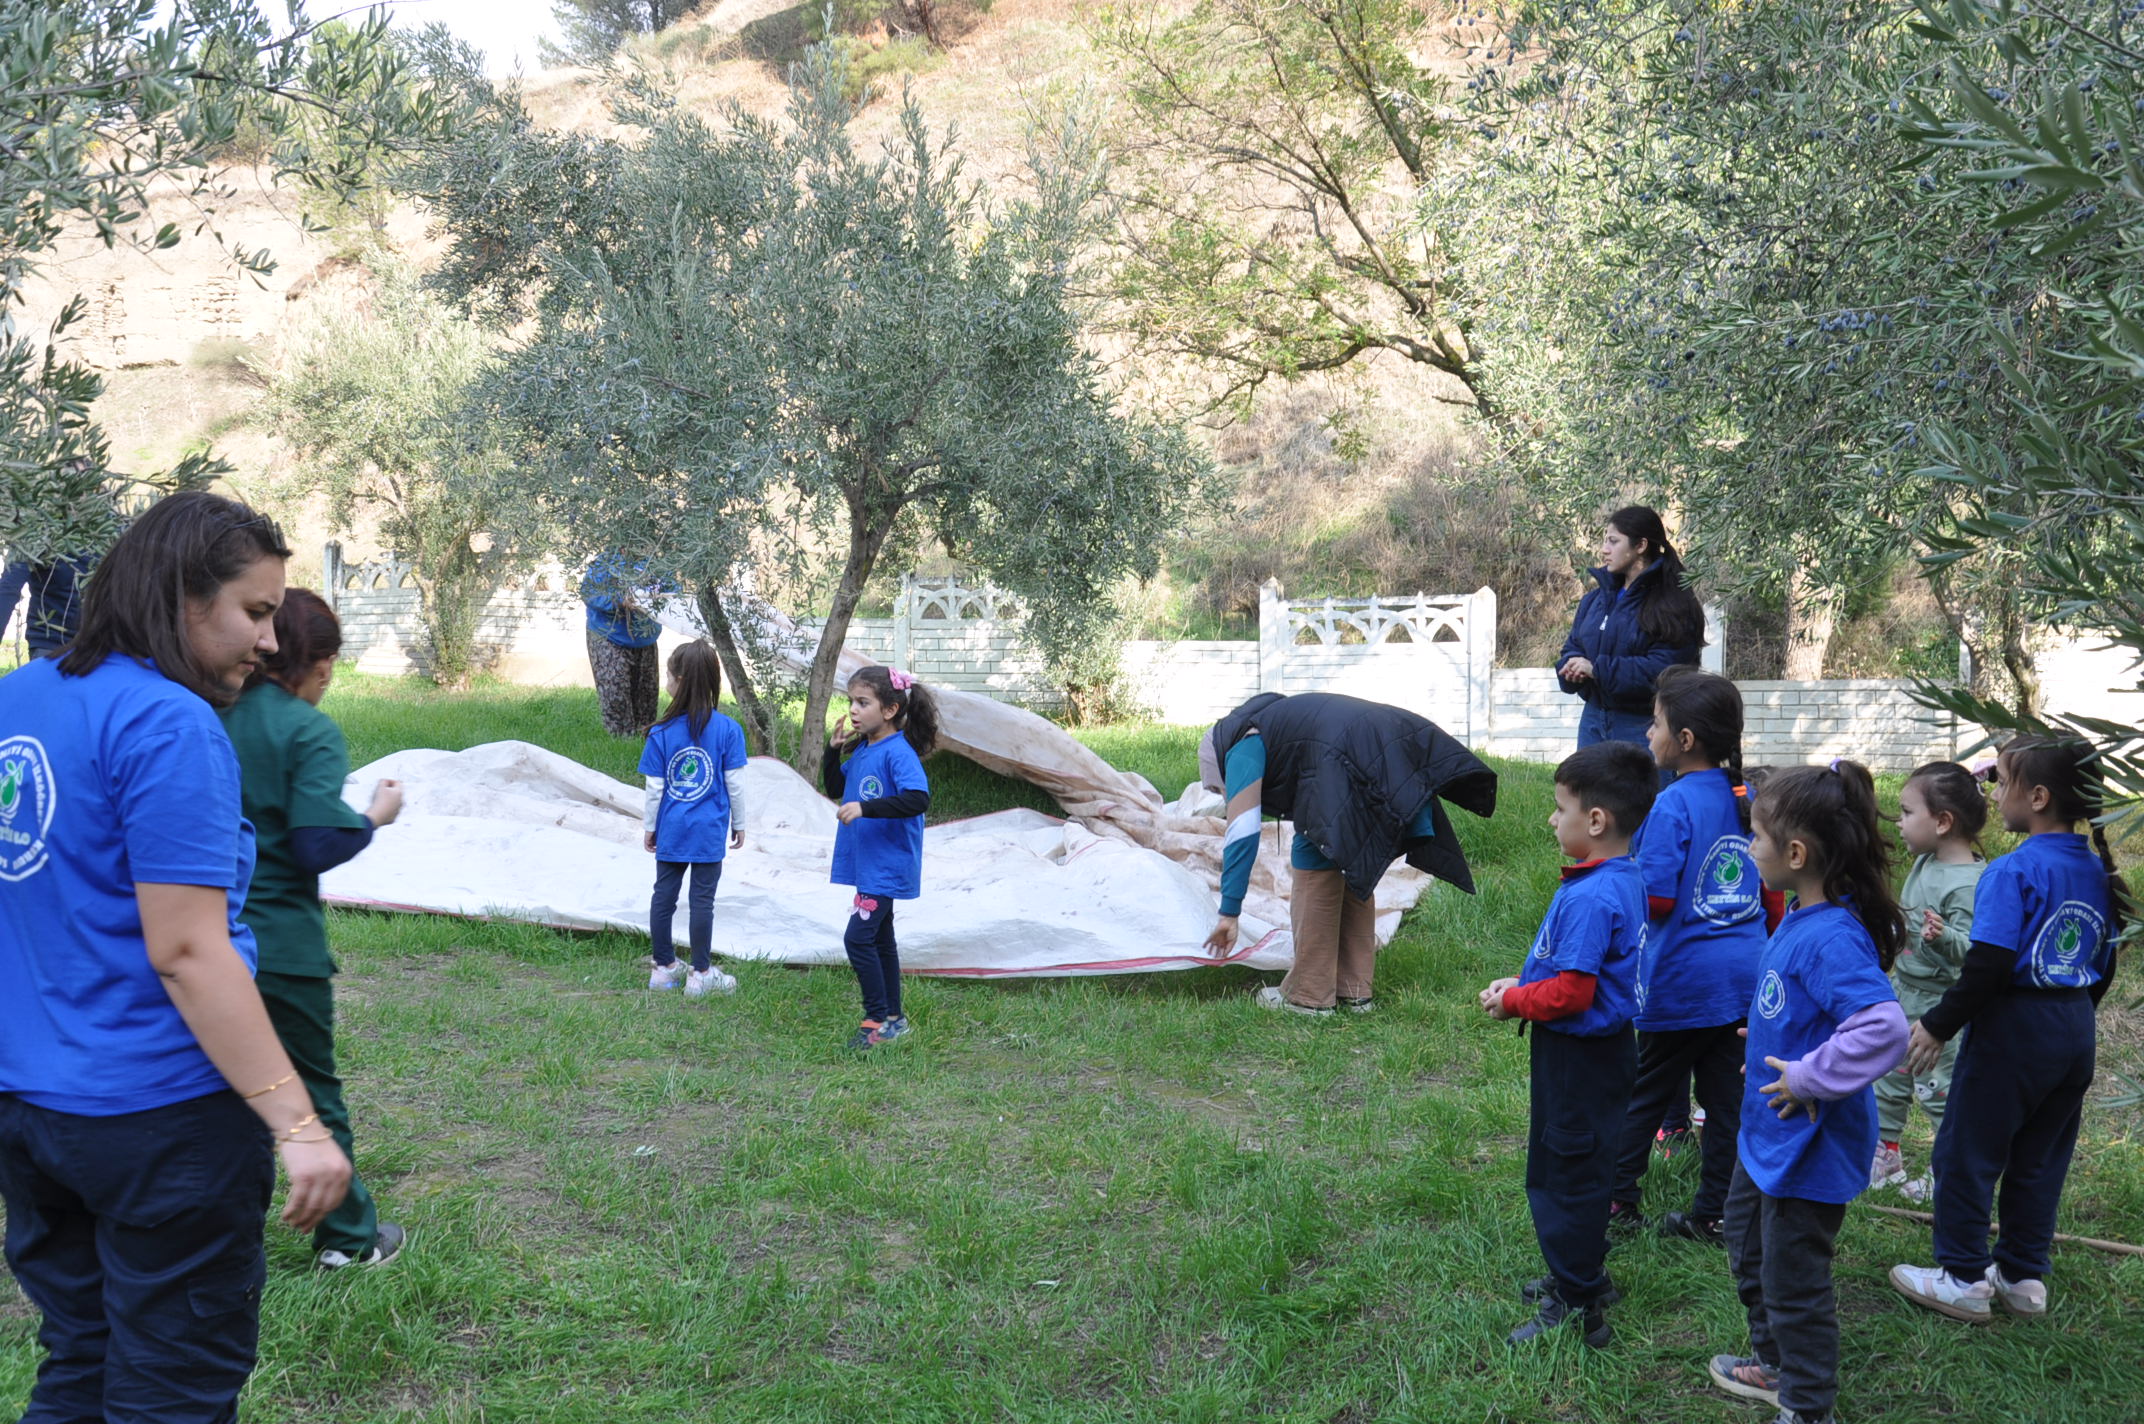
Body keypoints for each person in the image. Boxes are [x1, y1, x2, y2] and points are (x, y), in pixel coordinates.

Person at [0, 491, 351, 1423]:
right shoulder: (168, 723)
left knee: (80, 1352)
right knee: (175, 1387)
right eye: (256, 612)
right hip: (160, 1121)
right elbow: (189, 951)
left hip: (32, 1116)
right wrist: (298, 1125)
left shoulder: (17, 700)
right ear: (181, 596)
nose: (271, 644)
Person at [1890, 737, 2124, 1322]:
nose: (1993, 793)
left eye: (2004, 781)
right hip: (2073, 1028)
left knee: (1966, 1152)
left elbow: (1988, 965)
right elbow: (2108, 961)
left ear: (2037, 797)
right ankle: (2022, 1276)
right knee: (2040, 1158)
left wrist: (1938, 1025)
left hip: (2013, 1029)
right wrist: (2068, 1013)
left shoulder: (2012, 871)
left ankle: (1963, 1277)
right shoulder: (2097, 869)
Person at [1707, 761, 1908, 1424]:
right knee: (1745, 1244)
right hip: (1769, 1136)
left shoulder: (1831, 936)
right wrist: (1773, 1032)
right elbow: (1808, 1008)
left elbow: (1883, 1029)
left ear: (1796, 854)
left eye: (1757, 837)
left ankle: (1808, 1404)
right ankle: (1775, 1365)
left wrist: (1807, 1075)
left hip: (1809, 1152)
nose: (1749, 848)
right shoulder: (1802, 914)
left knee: (1794, 1282)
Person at [221, 586, 410, 1272]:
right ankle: (349, 1240)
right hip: (285, 951)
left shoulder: (209, 712)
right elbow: (314, 846)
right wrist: (373, 818)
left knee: (217, 1092)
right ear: (321, 665)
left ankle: (218, 1235)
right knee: (311, 1092)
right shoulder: (308, 730)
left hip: (210, 941)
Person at [1481, 741, 1657, 1350]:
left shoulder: (1590, 896)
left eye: (1560, 809)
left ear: (1596, 820)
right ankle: (1588, 1278)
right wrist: (1524, 980)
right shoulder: (1623, 877)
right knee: (1586, 1165)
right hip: (1607, 1052)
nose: (1552, 820)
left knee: (1565, 1177)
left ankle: (1578, 1301)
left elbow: (1573, 995)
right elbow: (1579, 975)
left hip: (1579, 1058)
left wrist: (1513, 1002)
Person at [1198, 691, 1499, 1015]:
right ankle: (1354, 991)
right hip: (1386, 753)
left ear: (1218, 759)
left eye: (1217, 787)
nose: (1222, 795)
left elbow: (1242, 830)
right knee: (1353, 859)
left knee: (1314, 849)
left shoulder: (1242, 745)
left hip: (1347, 761)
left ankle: (1308, 996)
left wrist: (1229, 912)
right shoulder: (1275, 720)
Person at [1609, 666, 1769, 1245]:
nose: (1648, 734)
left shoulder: (1672, 803)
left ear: (1685, 740)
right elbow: (1767, 893)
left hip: (1681, 984)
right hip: (1743, 984)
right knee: (1727, 1104)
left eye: (1654, 724)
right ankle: (1716, 1213)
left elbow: (1656, 898)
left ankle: (1617, 1200)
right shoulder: (1747, 798)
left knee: (1644, 1094)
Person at [1870, 762, 1986, 1198]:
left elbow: (1975, 953)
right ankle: (1885, 1158)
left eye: (1905, 812)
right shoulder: (1923, 861)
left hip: (1941, 1010)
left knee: (1940, 1092)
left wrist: (1943, 938)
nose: (1898, 822)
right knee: (1888, 1077)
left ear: (1942, 822)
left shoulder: (1970, 882)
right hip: (1903, 994)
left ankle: (1948, 1174)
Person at [821, 666, 937, 1050]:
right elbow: (837, 786)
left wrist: (866, 809)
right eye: (850, 701)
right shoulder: (864, 747)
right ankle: (894, 1019)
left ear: (889, 710)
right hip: (869, 864)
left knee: (857, 939)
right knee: (881, 941)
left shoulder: (898, 752)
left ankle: (875, 1022)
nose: (853, 710)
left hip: (886, 865)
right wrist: (832, 751)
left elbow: (917, 798)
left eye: (862, 702)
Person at [641, 640, 749, 997]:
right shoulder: (729, 730)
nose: (666, 683)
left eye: (669, 676)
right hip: (708, 831)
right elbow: (735, 784)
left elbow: (655, 788)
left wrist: (650, 827)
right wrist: (739, 823)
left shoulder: (660, 732)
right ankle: (701, 975)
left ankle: (664, 968)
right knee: (703, 901)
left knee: (664, 896)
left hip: (672, 828)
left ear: (681, 680)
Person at [1556, 505, 1705, 750]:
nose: (1604, 550)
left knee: (1646, 791)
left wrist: (1597, 670)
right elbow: (1573, 646)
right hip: (1593, 721)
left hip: (1645, 726)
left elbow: (1667, 669)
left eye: (1613, 541)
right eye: (1605, 541)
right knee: (1588, 790)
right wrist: (1571, 666)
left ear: (1640, 546)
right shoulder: (1595, 600)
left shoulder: (1672, 603)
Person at [580, 551, 666, 737]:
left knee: (647, 697)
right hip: (608, 635)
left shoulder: (654, 563)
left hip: (645, 637)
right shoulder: (605, 563)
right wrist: (619, 601)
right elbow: (589, 593)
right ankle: (621, 740)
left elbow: (672, 589)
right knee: (616, 695)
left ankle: (646, 741)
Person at [0, 551, 94, 656]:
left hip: (102, 647)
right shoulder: (36, 537)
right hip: (51, 644)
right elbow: (8, 589)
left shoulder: (112, 536)